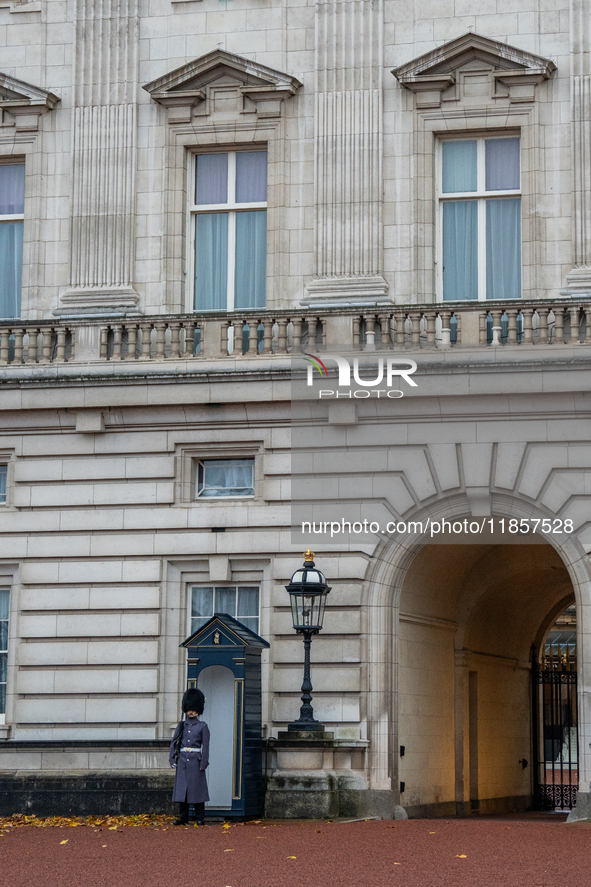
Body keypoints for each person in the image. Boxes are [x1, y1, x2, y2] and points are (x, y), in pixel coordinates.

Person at [169, 687, 210, 825]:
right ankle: (183, 818)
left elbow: (206, 746)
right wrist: (172, 758)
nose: (191, 711)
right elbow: (174, 743)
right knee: (182, 792)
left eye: (193, 709)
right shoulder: (182, 725)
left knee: (198, 791)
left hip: (195, 761)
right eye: (189, 708)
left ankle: (200, 818)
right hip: (182, 760)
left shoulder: (202, 726)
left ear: (198, 710)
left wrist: (204, 762)